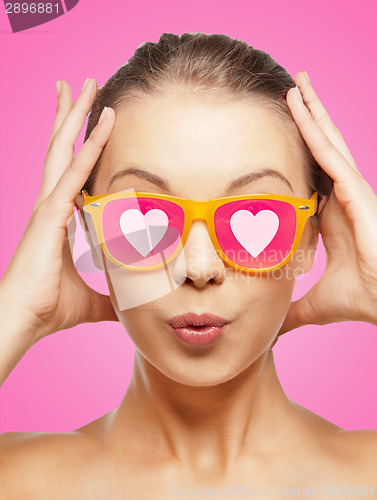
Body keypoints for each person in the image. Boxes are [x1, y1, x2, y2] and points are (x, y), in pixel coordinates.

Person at [1, 32, 377, 497]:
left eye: (251, 217)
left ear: (310, 237)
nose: (198, 267)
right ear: (88, 230)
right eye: (144, 220)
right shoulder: (16, 480)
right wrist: (15, 313)